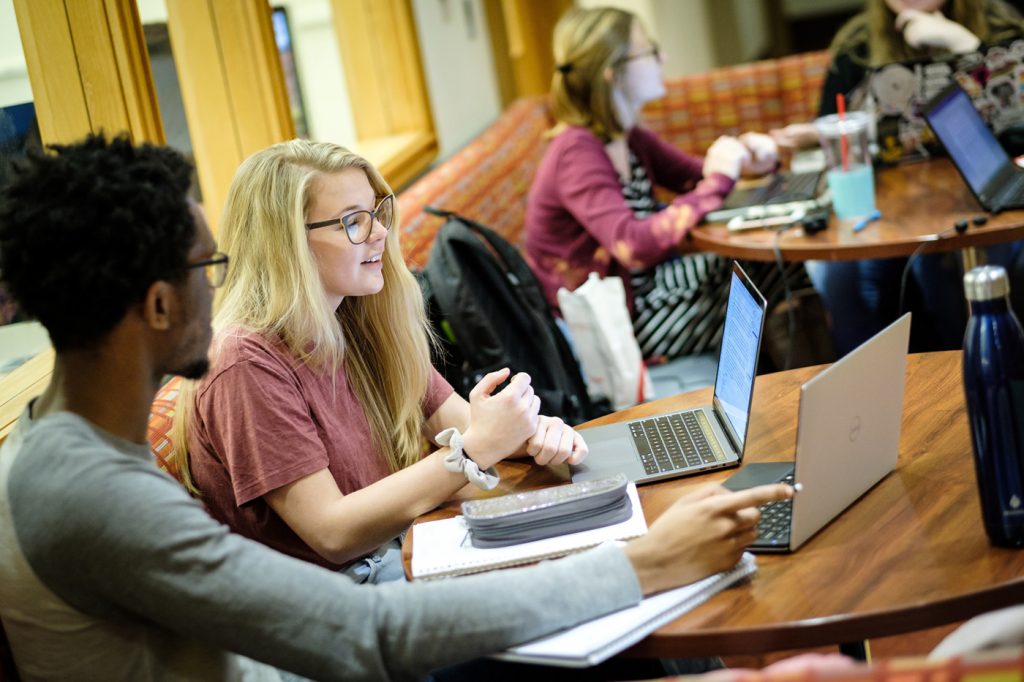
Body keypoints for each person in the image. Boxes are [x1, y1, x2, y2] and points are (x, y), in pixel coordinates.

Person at [0, 134, 792, 680]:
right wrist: (643, 563)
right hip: (336, 653)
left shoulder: (74, 450)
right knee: (638, 630)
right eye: (208, 265)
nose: (222, 284)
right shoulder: (94, 495)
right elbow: (361, 632)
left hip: (360, 612)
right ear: (161, 305)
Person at [169, 139, 589, 583]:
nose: (379, 233)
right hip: (338, 597)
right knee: (578, 584)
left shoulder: (356, 318)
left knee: (591, 556)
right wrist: (478, 447)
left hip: (402, 549)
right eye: (353, 222)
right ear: (286, 244)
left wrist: (528, 430)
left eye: (377, 212)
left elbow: (468, 425)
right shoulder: (243, 361)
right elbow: (333, 533)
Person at [525, 6, 802, 362]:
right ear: (613, 72)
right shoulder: (576, 153)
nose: (663, 57)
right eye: (650, 51)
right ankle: (794, 392)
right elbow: (632, 245)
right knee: (768, 277)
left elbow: (695, 177)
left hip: (649, 289)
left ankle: (797, 389)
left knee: (778, 261)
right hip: (620, 324)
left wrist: (750, 161)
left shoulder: (626, 137)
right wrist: (719, 178)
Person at [772, 0, 1024, 355]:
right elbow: (833, 119)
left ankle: (974, 374)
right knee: (842, 279)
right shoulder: (858, 45)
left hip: (982, 188)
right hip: (888, 202)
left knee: (938, 267)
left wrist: (966, 47)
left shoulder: (1002, 26)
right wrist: (815, 134)